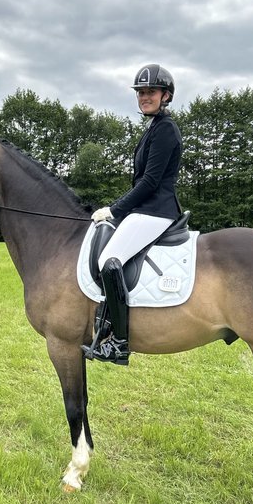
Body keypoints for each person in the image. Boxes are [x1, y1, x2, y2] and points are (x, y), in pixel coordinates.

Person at [82, 63, 184, 365]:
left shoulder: (165, 129)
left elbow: (150, 182)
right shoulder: (153, 127)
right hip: (146, 209)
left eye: (151, 92)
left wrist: (114, 210)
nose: (144, 97)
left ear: (166, 96)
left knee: (109, 261)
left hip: (156, 210)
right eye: (140, 92)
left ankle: (119, 343)